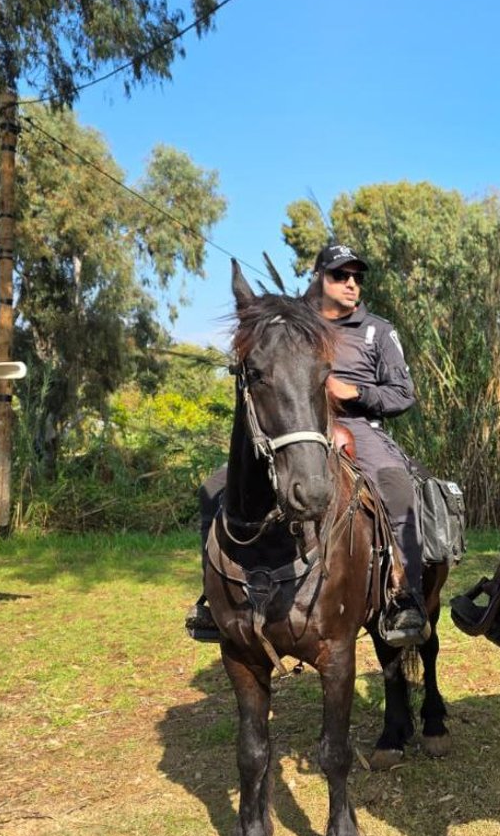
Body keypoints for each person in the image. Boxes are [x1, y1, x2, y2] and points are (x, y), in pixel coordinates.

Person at [184, 242, 429, 648]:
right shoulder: (293, 322)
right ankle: (215, 597)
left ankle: (405, 596)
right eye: (340, 275)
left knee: (397, 486)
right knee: (214, 487)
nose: (351, 283)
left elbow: (403, 394)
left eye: (357, 277)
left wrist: (353, 392)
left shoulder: (378, 330)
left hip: (357, 426)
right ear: (319, 278)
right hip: (294, 423)